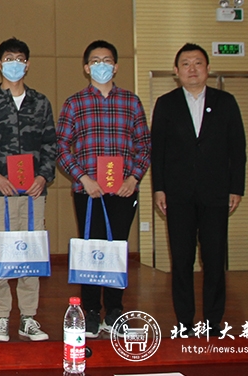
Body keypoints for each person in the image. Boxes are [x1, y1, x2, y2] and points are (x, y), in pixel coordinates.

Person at [57, 39, 151, 337]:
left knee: (117, 250)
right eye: (95, 61)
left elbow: (144, 145)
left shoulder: (131, 102)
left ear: (116, 66)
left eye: (107, 60)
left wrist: (133, 178)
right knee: (91, 250)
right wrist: (83, 178)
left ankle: (114, 311)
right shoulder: (75, 103)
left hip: (123, 192)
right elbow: (61, 146)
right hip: (89, 192)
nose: (101, 66)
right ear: (86, 68)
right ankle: (90, 312)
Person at [151, 43, 246, 332]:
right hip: (177, 194)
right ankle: (184, 322)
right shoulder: (166, 104)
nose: (192, 69)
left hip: (216, 193)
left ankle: (213, 322)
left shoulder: (225, 102)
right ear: (176, 71)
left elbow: (238, 149)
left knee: (214, 259)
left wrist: (236, 188)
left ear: (207, 69)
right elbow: (158, 151)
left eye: (198, 63)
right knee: (181, 260)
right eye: (186, 64)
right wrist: (159, 188)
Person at [0, 38, 57, 342]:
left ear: (27, 64)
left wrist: (44, 177)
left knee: (31, 250)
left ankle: (28, 317)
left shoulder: (40, 102)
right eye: (8, 59)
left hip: (33, 192)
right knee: (0, 251)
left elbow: (51, 145)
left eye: (20, 59)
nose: (14, 64)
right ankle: (0, 316)